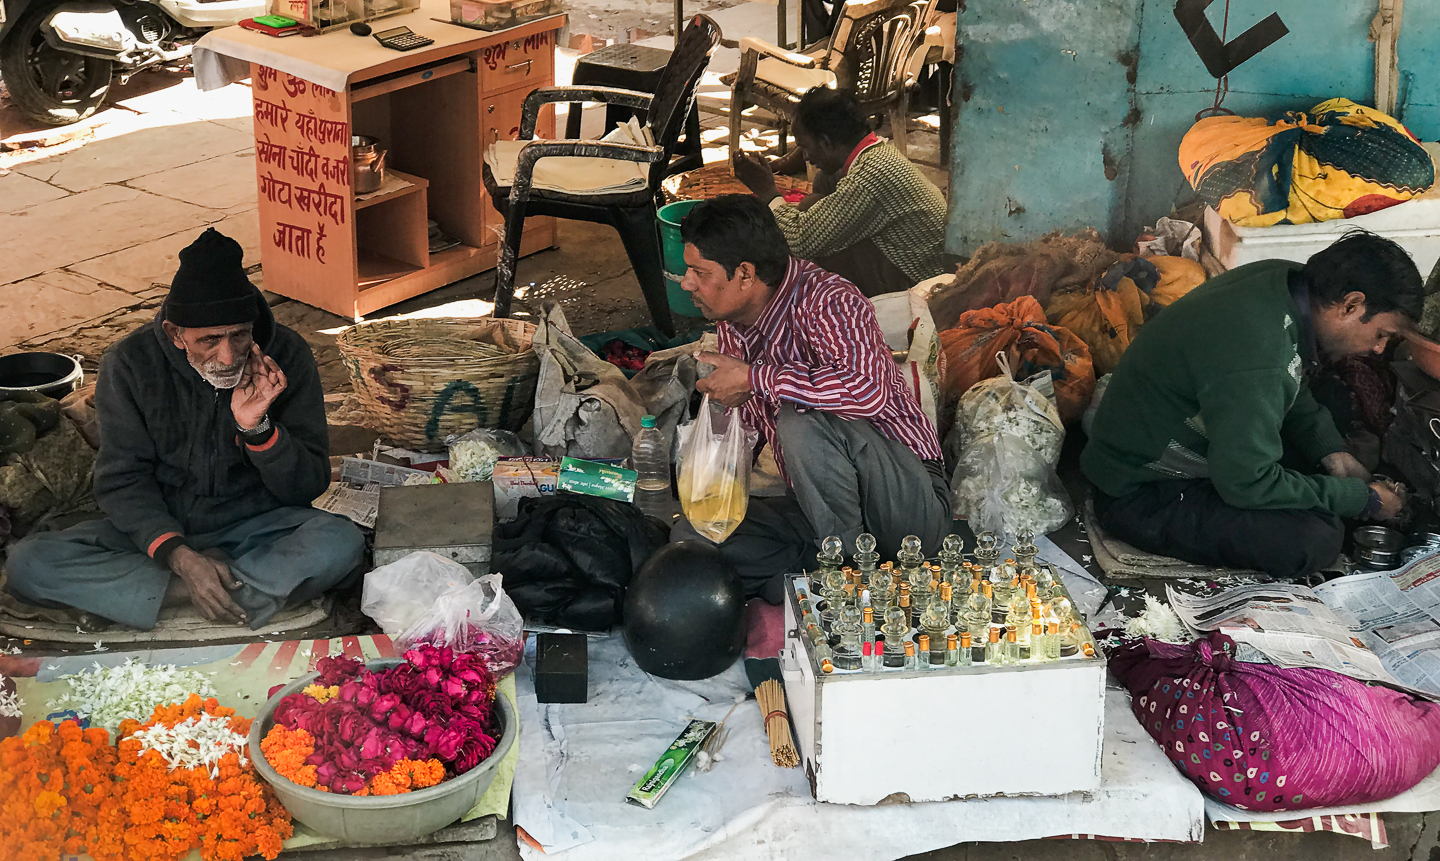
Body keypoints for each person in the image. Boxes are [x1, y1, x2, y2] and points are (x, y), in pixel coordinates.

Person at [5, 228, 364, 631]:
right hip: (159, 532)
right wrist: (178, 556)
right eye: (210, 340)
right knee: (28, 563)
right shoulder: (129, 364)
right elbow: (122, 480)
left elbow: (307, 485)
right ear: (177, 334)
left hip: (256, 527)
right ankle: (208, 591)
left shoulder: (288, 355)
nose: (228, 356)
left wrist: (258, 429)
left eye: (239, 335)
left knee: (341, 544)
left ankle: (153, 598)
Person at [1082, 230, 1423, 579]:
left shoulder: (1285, 280)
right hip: (1139, 489)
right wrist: (1360, 500)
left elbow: (1291, 379)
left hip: (1183, 429)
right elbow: (1247, 483)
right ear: (1351, 305)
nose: (1380, 349)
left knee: (1328, 412)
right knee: (1314, 540)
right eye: (1382, 334)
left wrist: (1332, 452)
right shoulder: (1259, 351)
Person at [671, 195, 951, 602]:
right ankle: (828, 567)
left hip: (904, 504)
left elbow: (867, 393)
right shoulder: (735, 322)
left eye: (699, 272)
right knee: (694, 536)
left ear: (745, 274)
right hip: (823, 509)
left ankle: (849, 583)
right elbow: (748, 424)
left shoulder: (829, 301)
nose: (687, 283)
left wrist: (756, 377)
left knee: (800, 421)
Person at [730, 87, 948, 298]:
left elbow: (799, 240)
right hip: (913, 262)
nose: (805, 157)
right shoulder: (875, 153)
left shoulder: (869, 176)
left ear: (825, 143)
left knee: (803, 248)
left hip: (920, 284)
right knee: (822, 186)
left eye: (805, 147)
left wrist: (768, 192)